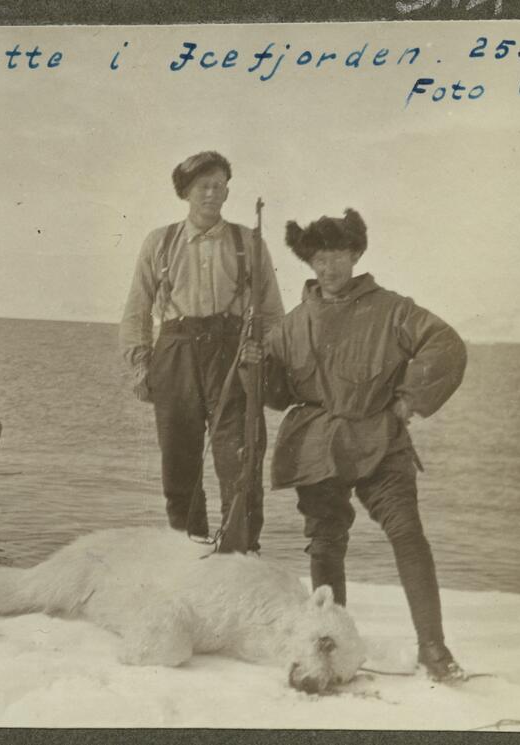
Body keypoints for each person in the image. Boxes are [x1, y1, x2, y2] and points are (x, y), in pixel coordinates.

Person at [242, 208, 468, 681]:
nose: (331, 268)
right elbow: (278, 396)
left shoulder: (392, 309)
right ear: (310, 263)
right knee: (326, 543)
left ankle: (433, 647)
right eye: (321, 259)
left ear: (356, 254)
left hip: (381, 442)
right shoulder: (289, 325)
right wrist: (255, 366)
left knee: (407, 535)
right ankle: (330, 644)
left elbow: (444, 344)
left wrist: (407, 402)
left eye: (340, 256)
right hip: (318, 447)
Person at [119, 151, 284, 550]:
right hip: (175, 355)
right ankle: (186, 552)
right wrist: (141, 367)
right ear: (186, 193)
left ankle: (240, 554)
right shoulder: (160, 242)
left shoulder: (250, 242)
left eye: (219, 186)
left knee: (240, 462)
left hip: (233, 357)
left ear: (228, 190)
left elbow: (273, 312)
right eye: (203, 187)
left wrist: (262, 356)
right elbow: (137, 310)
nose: (212, 194)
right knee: (179, 467)